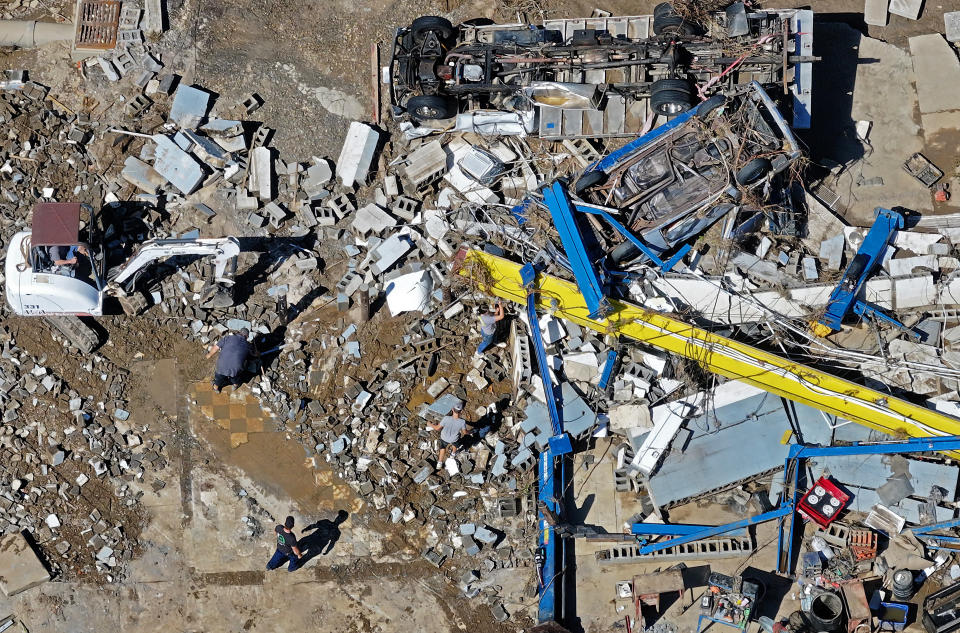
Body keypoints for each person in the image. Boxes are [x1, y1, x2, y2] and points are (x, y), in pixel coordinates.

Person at [206, 328, 253, 393]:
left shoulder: (227, 338)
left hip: (222, 366)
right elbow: (253, 354)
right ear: (247, 336)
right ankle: (235, 385)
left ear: (239, 332)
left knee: (218, 379)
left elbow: (216, 348)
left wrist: (209, 354)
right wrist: (257, 353)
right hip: (236, 369)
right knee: (234, 377)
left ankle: (216, 388)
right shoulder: (248, 345)